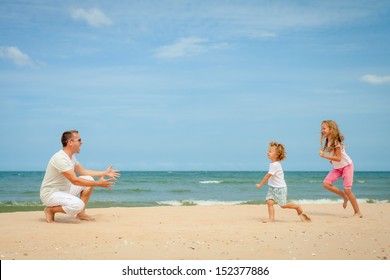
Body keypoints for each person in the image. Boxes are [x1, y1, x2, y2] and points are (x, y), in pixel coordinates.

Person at [40, 130, 120, 223]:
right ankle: (50, 210)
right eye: (79, 140)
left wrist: (104, 173)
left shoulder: (71, 157)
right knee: (78, 205)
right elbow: (75, 181)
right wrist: (98, 183)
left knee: (89, 179)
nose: (81, 142)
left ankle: (81, 214)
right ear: (70, 142)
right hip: (51, 194)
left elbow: (83, 172)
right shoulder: (60, 158)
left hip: (65, 190)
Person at [256, 141, 311, 223]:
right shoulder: (273, 164)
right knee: (269, 202)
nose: (268, 152)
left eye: (270, 151)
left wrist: (260, 184)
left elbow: (267, 176)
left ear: (277, 154)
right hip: (272, 187)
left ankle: (297, 207)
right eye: (268, 151)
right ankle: (271, 219)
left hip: (280, 188)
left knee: (283, 205)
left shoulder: (275, 165)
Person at [319, 120, 362, 218]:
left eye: (324, 128)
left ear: (331, 129)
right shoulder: (329, 141)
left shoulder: (335, 141)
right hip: (337, 168)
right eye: (322, 128)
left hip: (347, 166)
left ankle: (358, 212)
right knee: (326, 184)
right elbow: (335, 156)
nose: (322, 130)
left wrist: (325, 157)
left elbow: (339, 158)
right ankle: (344, 196)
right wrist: (331, 159)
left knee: (347, 189)